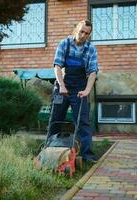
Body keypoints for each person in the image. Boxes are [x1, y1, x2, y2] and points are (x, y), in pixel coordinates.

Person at [50, 20, 99, 162]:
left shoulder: (90, 49)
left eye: (87, 33)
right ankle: (50, 148)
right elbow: (57, 66)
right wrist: (62, 86)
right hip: (62, 86)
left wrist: (87, 90)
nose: (83, 35)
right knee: (56, 119)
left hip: (79, 89)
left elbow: (92, 72)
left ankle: (87, 155)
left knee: (83, 122)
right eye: (81, 31)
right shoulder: (64, 44)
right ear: (76, 29)